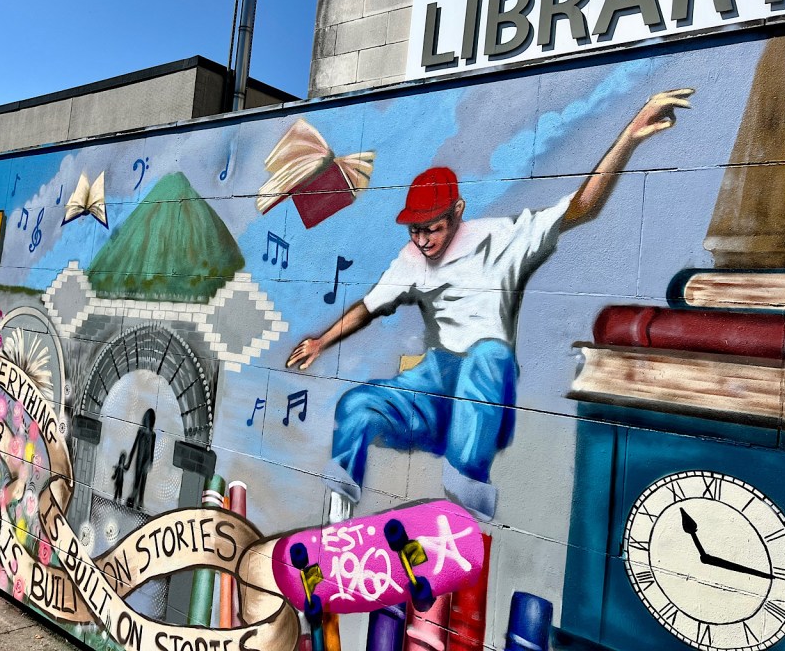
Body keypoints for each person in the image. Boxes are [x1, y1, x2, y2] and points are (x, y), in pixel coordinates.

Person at [287, 89, 693, 523]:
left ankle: (464, 491)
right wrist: (320, 341)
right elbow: (368, 306)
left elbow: (582, 206)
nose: (423, 241)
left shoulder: (504, 238)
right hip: (436, 382)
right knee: (357, 405)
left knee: (488, 354)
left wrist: (628, 138)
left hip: (484, 387)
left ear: (458, 211)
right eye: (415, 232)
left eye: (433, 229)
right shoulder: (411, 260)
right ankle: (336, 522)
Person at [125, 408, 156, 509]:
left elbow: (152, 450)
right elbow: (134, 447)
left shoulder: (153, 434)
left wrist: (151, 462)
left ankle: (140, 502)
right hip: (139, 458)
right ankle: (133, 499)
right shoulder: (141, 431)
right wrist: (128, 463)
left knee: (144, 480)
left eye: (150, 419)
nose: (149, 421)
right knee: (137, 479)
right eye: (148, 419)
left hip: (146, 460)